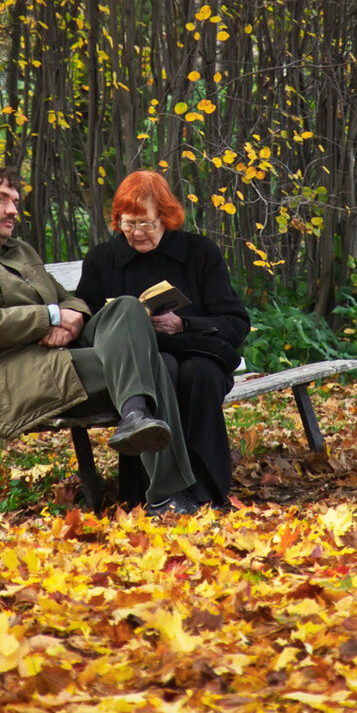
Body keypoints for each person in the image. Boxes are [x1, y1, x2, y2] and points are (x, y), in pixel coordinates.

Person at [0, 165, 198, 516]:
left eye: (16, 202)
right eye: (1, 200)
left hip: (55, 358)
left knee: (126, 308)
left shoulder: (19, 251)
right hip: (6, 377)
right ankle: (167, 491)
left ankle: (135, 416)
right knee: (150, 364)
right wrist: (49, 318)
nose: (12, 210)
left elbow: (70, 300)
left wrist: (71, 320)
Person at [76, 170, 250, 509]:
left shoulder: (199, 252)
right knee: (162, 369)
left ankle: (207, 491)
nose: (138, 233)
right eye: (128, 224)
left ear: (166, 218)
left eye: (147, 224)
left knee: (197, 374)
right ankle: (154, 493)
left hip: (198, 352)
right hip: (141, 364)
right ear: (117, 221)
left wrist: (182, 323)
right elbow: (89, 324)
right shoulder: (103, 260)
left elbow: (235, 322)